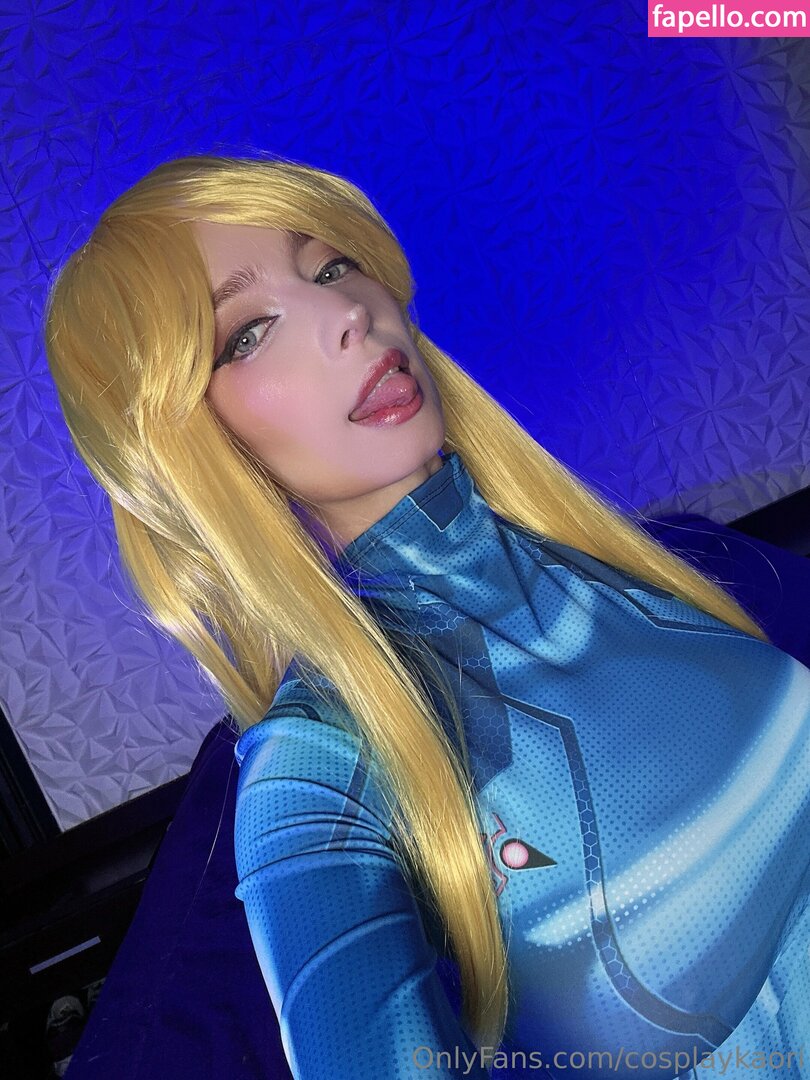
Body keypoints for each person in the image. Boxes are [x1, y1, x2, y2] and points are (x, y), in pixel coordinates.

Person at [42, 151, 810, 1079]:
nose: (346, 314)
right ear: (189, 445)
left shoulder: (650, 562)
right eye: (247, 333)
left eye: (333, 266)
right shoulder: (315, 763)